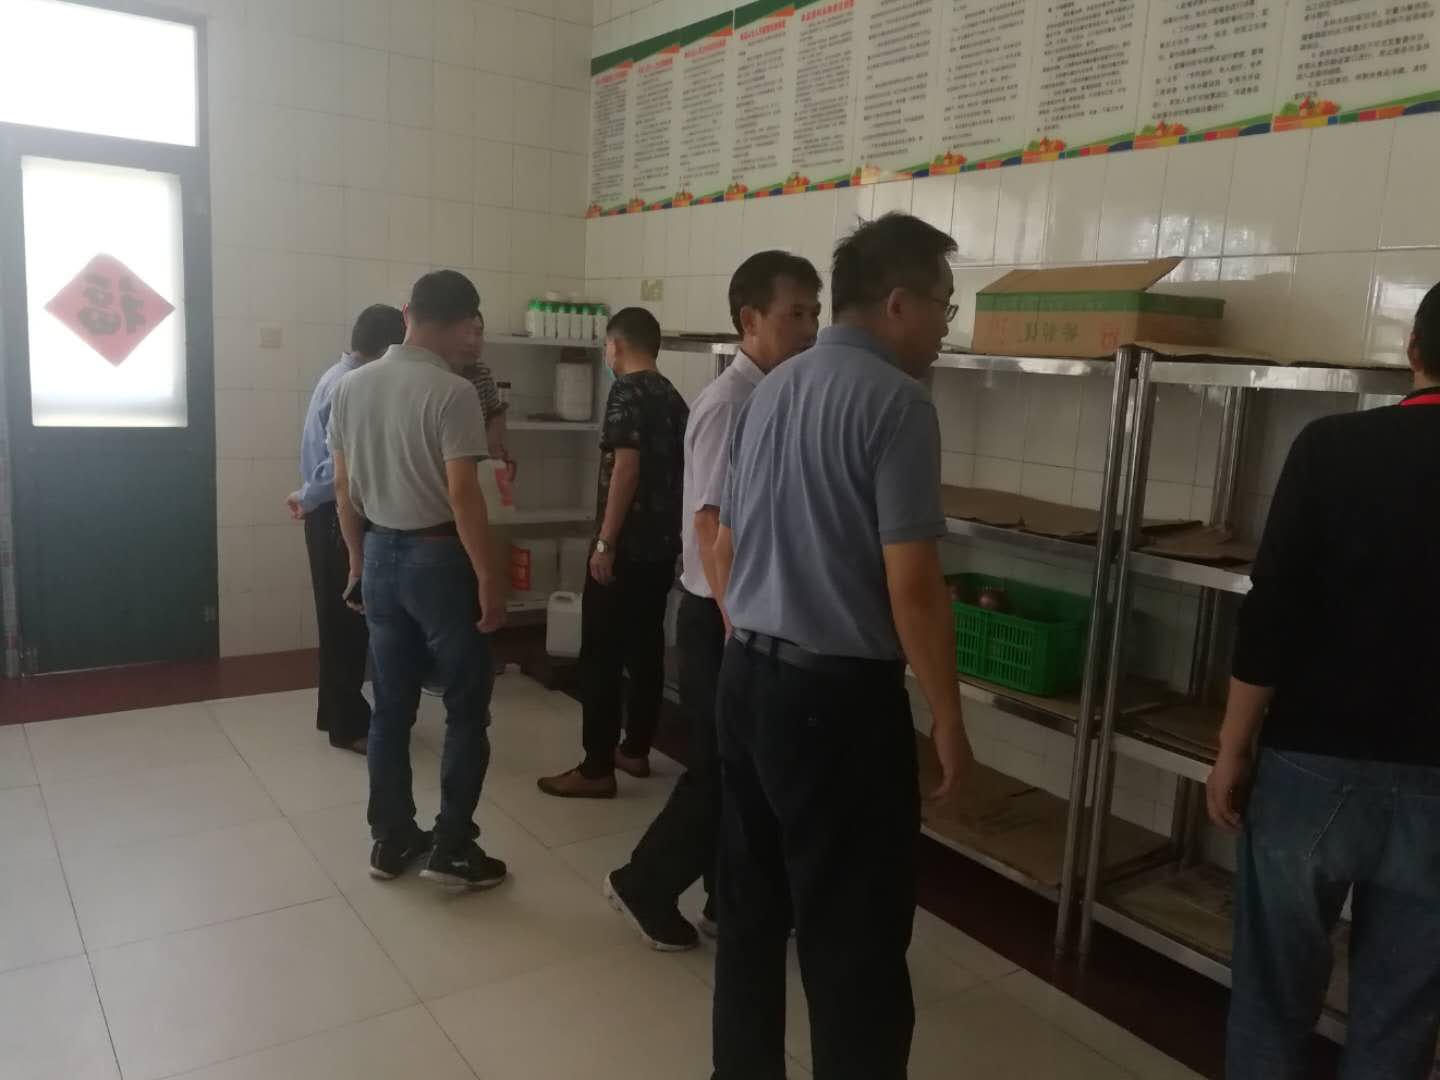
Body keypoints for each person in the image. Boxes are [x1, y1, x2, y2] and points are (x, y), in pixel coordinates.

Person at [708, 213, 973, 1080]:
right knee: (853, 936)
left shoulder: (768, 390)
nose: (945, 326)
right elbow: (913, 587)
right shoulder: (900, 404)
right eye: (943, 305)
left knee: (752, 910)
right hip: (837, 704)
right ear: (897, 303)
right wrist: (948, 718)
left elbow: (727, 545)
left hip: (746, 678)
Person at [1207, 281, 1440, 1079]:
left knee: (1272, 994)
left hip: (1312, 763)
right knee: (1401, 1015)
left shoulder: (1331, 446)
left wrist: (1233, 747)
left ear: (1413, 350)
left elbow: (1272, 609)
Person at [604, 252, 822, 951]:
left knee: (745, 773)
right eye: (796, 313)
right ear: (749, 319)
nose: (810, 328)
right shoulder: (730, 402)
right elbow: (707, 521)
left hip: (744, 615)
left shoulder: (776, 392)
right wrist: (737, 625)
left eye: (815, 312)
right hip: (720, 617)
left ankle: (730, 903)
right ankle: (644, 882)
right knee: (724, 771)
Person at [329, 270, 508, 889]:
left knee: (390, 709)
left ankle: (391, 837)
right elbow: (463, 495)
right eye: (471, 328)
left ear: (407, 312)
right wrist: (488, 577)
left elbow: (344, 489)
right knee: (465, 709)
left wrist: (357, 562)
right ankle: (453, 846)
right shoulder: (453, 393)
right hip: (439, 560)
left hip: (379, 553)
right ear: (462, 324)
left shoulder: (350, 386)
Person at [538, 307, 689, 799]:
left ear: (617, 345)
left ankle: (596, 768)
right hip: (660, 547)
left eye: (607, 346)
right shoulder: (673, 397)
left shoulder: (626, 391)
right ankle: (636, 749)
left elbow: (626, 469)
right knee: (646, 648)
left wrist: (605, 541)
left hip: (624, 548)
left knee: (600, 654)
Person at [286, 304, 405, 754]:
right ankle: (348, 726)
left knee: (337, 620)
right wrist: (309, 495)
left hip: (327, 510)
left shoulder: (337, 375)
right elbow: (338, 469)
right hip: (336, 512)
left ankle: (333, 714)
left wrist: (307, 495)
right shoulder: (352, 385)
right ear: (388, 348)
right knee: (347, 622)